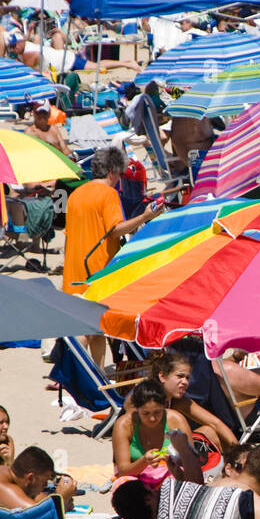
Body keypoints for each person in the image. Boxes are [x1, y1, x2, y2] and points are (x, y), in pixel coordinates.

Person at [62, 147, 163, 367]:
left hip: (73, 270)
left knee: (97, 330)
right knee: (86, 332)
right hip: (97, 271)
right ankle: (70, 377)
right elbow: (115, 230)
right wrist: (145, 216)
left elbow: (70, 236)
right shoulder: (109, 194)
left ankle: (97, 379)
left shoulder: (76, 194)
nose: (119, 180)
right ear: (111, 172)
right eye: (119, 174)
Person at [110, 380, 193, 519]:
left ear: (165, 406)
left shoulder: (175, 419)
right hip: (136, 475)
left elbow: (192, 461)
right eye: (146, 413)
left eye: (157, 412)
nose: (152, 418)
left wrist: (174, 460)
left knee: (181, 484)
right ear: (136, 409)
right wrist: (144, 461)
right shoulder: (124, 424)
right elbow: (123, 470)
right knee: (122, 486)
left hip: (170, 473)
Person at [149, 351, 236, 453]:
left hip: (167, 447)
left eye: (187, 378)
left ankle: (235, 464)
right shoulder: (146, 399)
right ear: (162, 376)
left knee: (211, 431)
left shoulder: (177, 401)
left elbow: (216, 423)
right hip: (146, 454)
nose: (185, 382)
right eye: (180, 376)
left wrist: (240, 451)